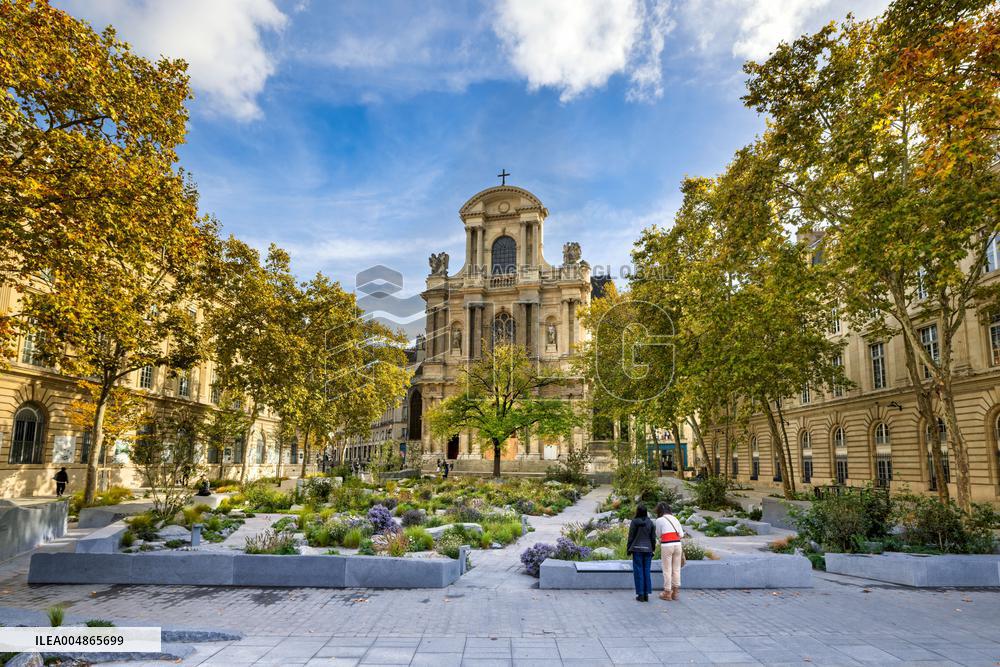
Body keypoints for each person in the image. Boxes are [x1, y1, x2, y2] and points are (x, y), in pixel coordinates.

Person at [626, 503, 656, 602]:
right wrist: (653, 549)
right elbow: (653, 538)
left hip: (637, 549)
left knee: (638, 571)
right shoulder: (650, 523)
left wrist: (628, 549)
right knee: (646, 571)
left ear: (637, 511)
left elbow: (631, 536)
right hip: (648, 550)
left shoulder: (634, 522)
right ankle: (646, 594)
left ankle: (641, 595)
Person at [655, 501, 685, 601]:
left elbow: (658, 534)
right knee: (676, 568)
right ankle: (675, 592)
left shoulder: (659, 520)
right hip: (677, 545)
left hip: (667, 545)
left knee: (667, 569)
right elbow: (681, 534)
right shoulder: (675, 518)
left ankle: (667, 592)